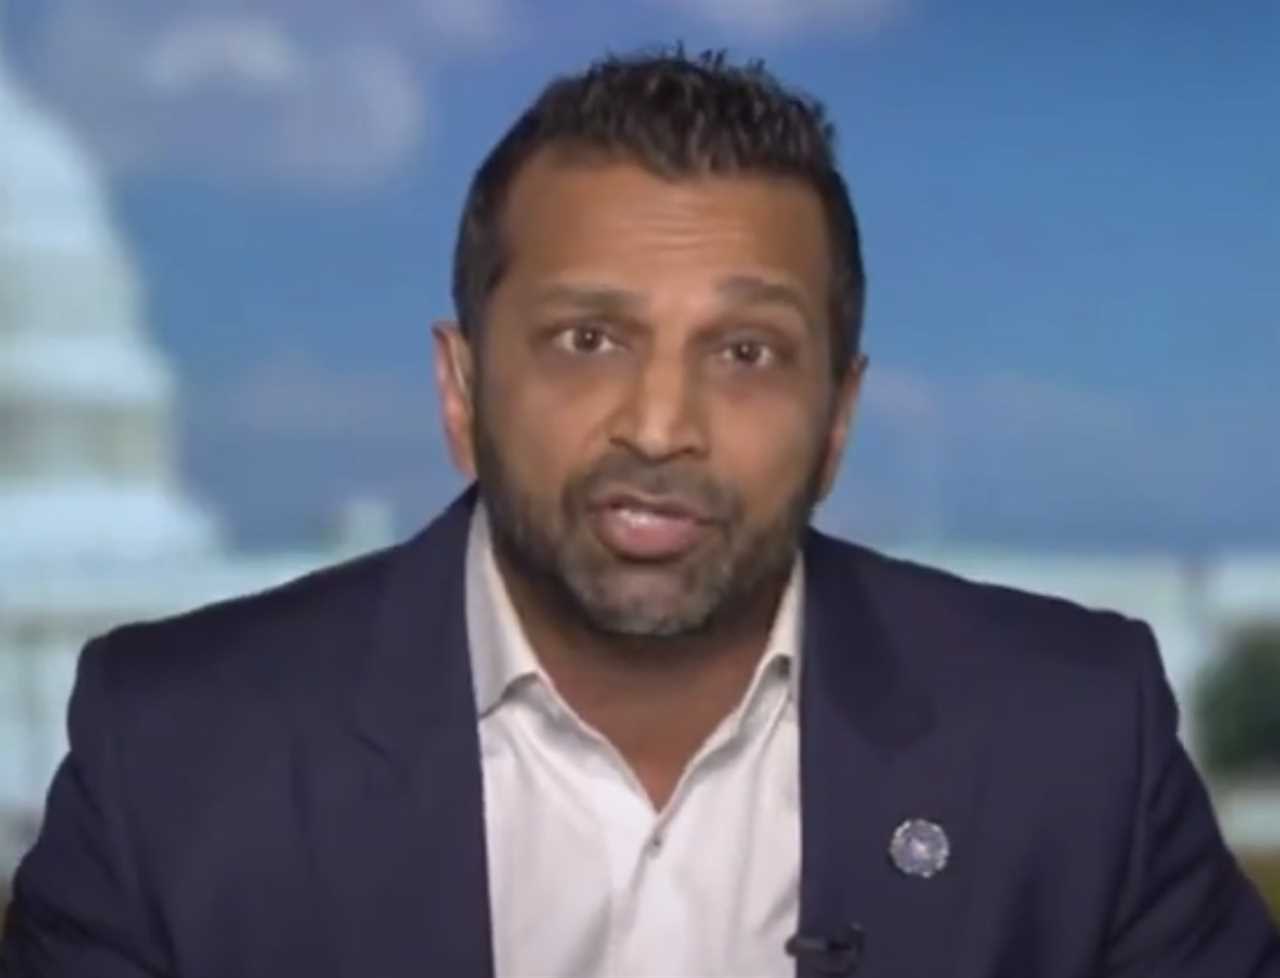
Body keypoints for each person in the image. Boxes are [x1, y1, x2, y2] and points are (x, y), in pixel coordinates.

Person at [2, 48, 1277, 978]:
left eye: (745, 354)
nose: (657, 426)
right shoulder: (172, 763)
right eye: (586, 337)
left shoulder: (1073, 741)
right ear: (458, 390)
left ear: (837, 416)